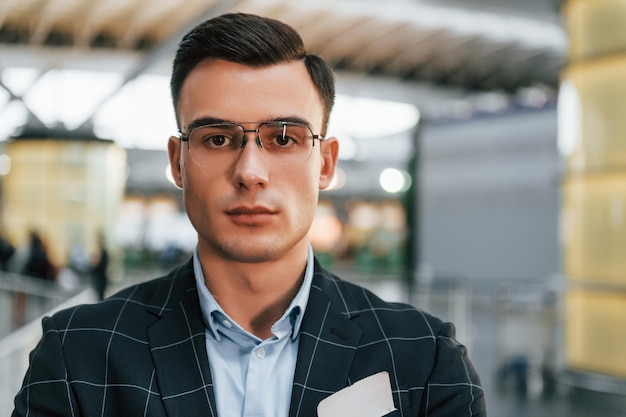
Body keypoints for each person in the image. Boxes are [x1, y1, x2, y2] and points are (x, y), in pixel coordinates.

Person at [12, 13, 485, 417]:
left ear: (326, 164)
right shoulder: (80, 354)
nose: (250, 172)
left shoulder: (423, 359)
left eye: (284, 138)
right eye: (217, 138)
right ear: (178, 163)